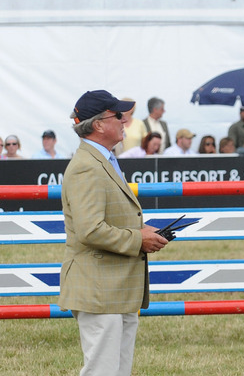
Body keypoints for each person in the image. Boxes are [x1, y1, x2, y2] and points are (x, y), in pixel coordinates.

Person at [59, 90, 169, 376]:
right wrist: (139, 239)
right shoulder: (87, 166)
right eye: (118, 115)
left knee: (115, 370)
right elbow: (90, 229)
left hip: (113, 288)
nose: (125, 120)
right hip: (100, 289)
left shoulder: (101, 160)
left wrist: (140, 231)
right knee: (103, 371)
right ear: (98, 124)